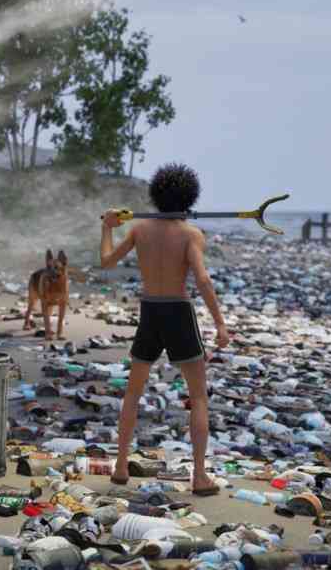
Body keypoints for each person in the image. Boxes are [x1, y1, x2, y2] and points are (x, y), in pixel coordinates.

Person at [99, 163, 230, 496]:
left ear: (156, 196)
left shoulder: (139, 230)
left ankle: (120, 466)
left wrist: (107, 227)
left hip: (150, 310)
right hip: (178, 312)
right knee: (198, 396)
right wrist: (220, 323)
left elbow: (106, 262)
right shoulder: (191, 234)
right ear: (190, 197)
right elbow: (202, 279)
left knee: (133, 391)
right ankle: (199, 477)